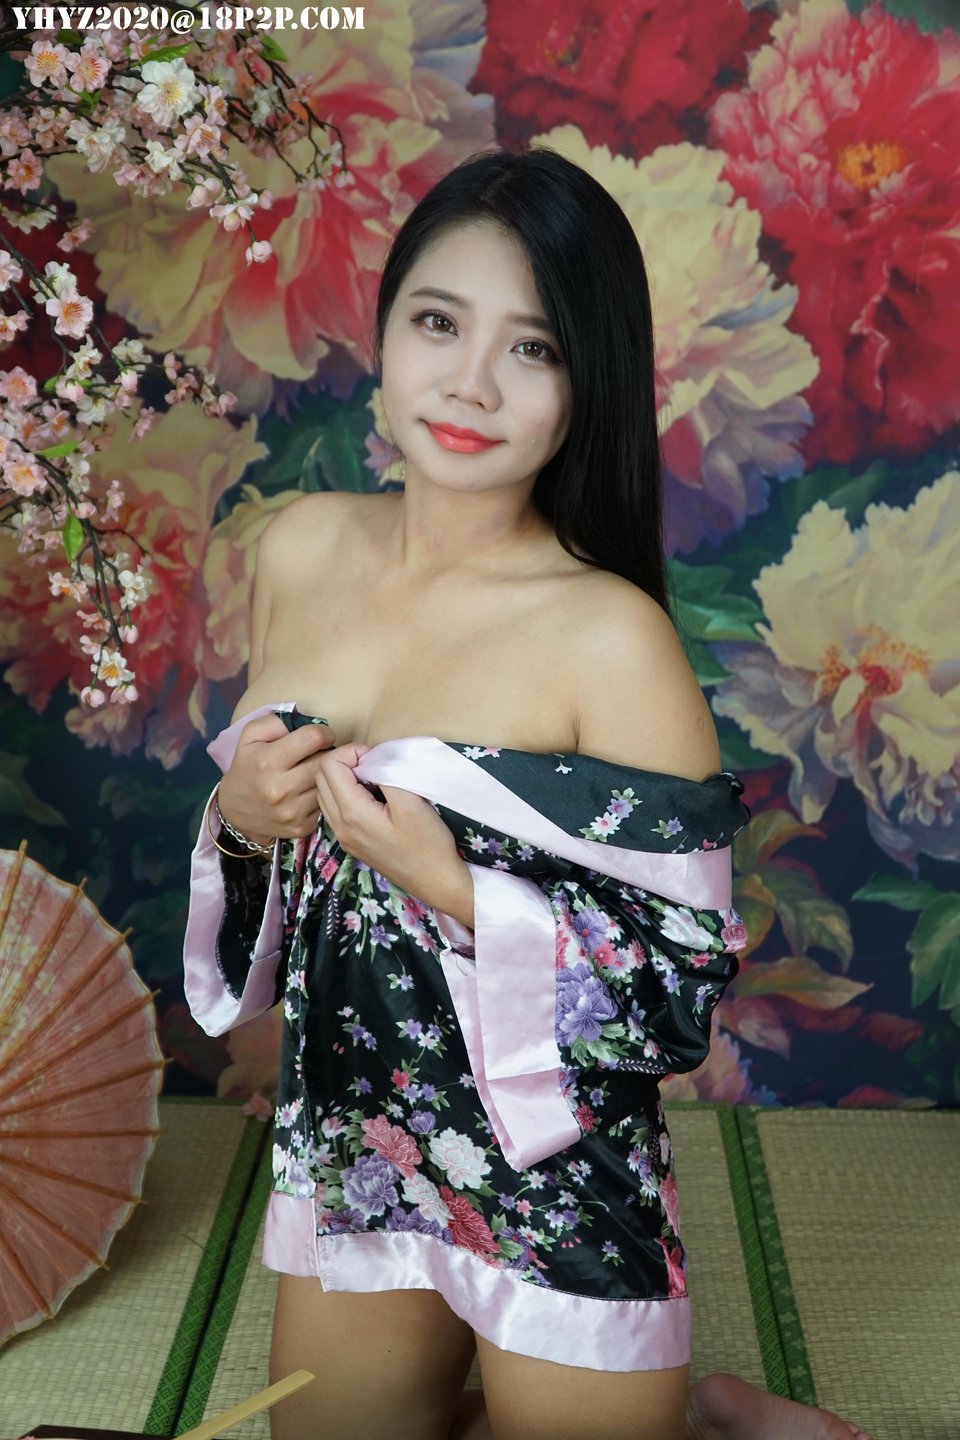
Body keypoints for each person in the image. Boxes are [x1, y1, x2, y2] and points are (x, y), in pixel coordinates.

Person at [183, 148, 873, 1440]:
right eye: (439, 323)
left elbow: (681, 987)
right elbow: (270, 858)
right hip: (360, 1141)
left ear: (584, 383)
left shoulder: (610, 638)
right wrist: (247, 823)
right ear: (384, 333)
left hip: (557, 1168)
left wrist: (448, 881)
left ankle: (711, 1417)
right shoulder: (298, 548)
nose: (471, 385)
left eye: (534, 349)